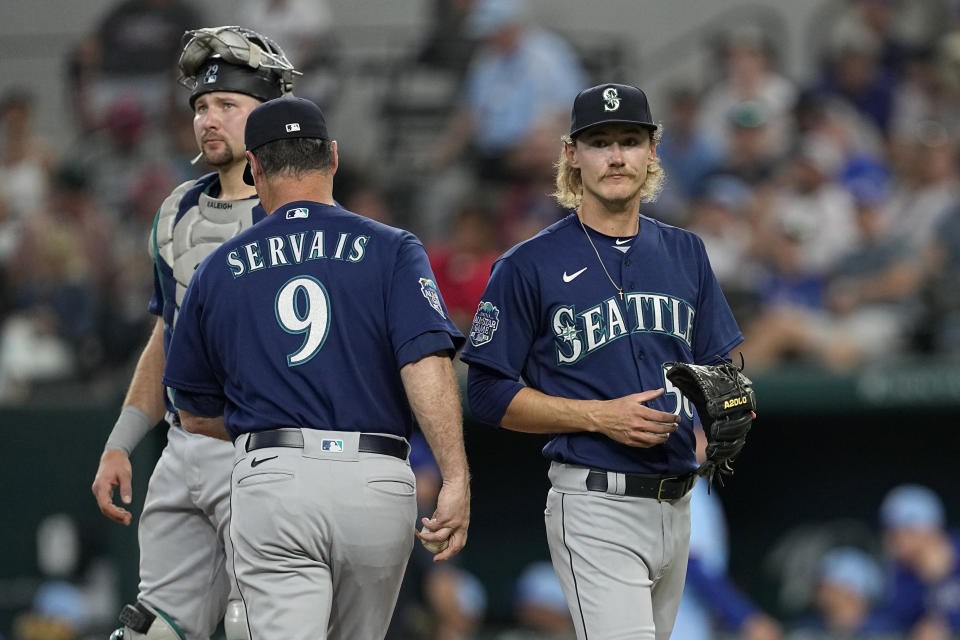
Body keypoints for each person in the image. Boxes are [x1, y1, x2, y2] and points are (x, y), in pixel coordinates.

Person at [162, 95, 471, 639]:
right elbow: (425, 362)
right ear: (332, 156)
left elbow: (191, 412)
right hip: (377, 478)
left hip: (276, 477)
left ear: (253, 166)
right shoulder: (394, 248)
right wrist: (455, 475)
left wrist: (263, 426)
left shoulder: (217, 267)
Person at [461, 83, 747, 639]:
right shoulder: (528, 264)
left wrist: (727, 406)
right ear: (572, 154)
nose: (616, 156)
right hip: (596, 502)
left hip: (680, 507)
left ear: (652, 151)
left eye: (629, 141)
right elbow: (486, 392)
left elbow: (720, 361)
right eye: (600, 142)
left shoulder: (686, 251)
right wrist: (598, 415)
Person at [89, 26, 299, 640]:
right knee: (151, 629)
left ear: (269, 118)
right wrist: (121, 440)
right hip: (184, 445)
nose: (209, 119)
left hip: (267, 446)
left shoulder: (299, 215)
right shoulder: (177, 209)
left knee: (254, 626)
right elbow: (167, 335)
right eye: (201, 107)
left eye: (228, 106)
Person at [875, 484, 960, 638]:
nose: (895, 541)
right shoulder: (902, 574)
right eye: (891, 532)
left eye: (906, 532)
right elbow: (896, 621)